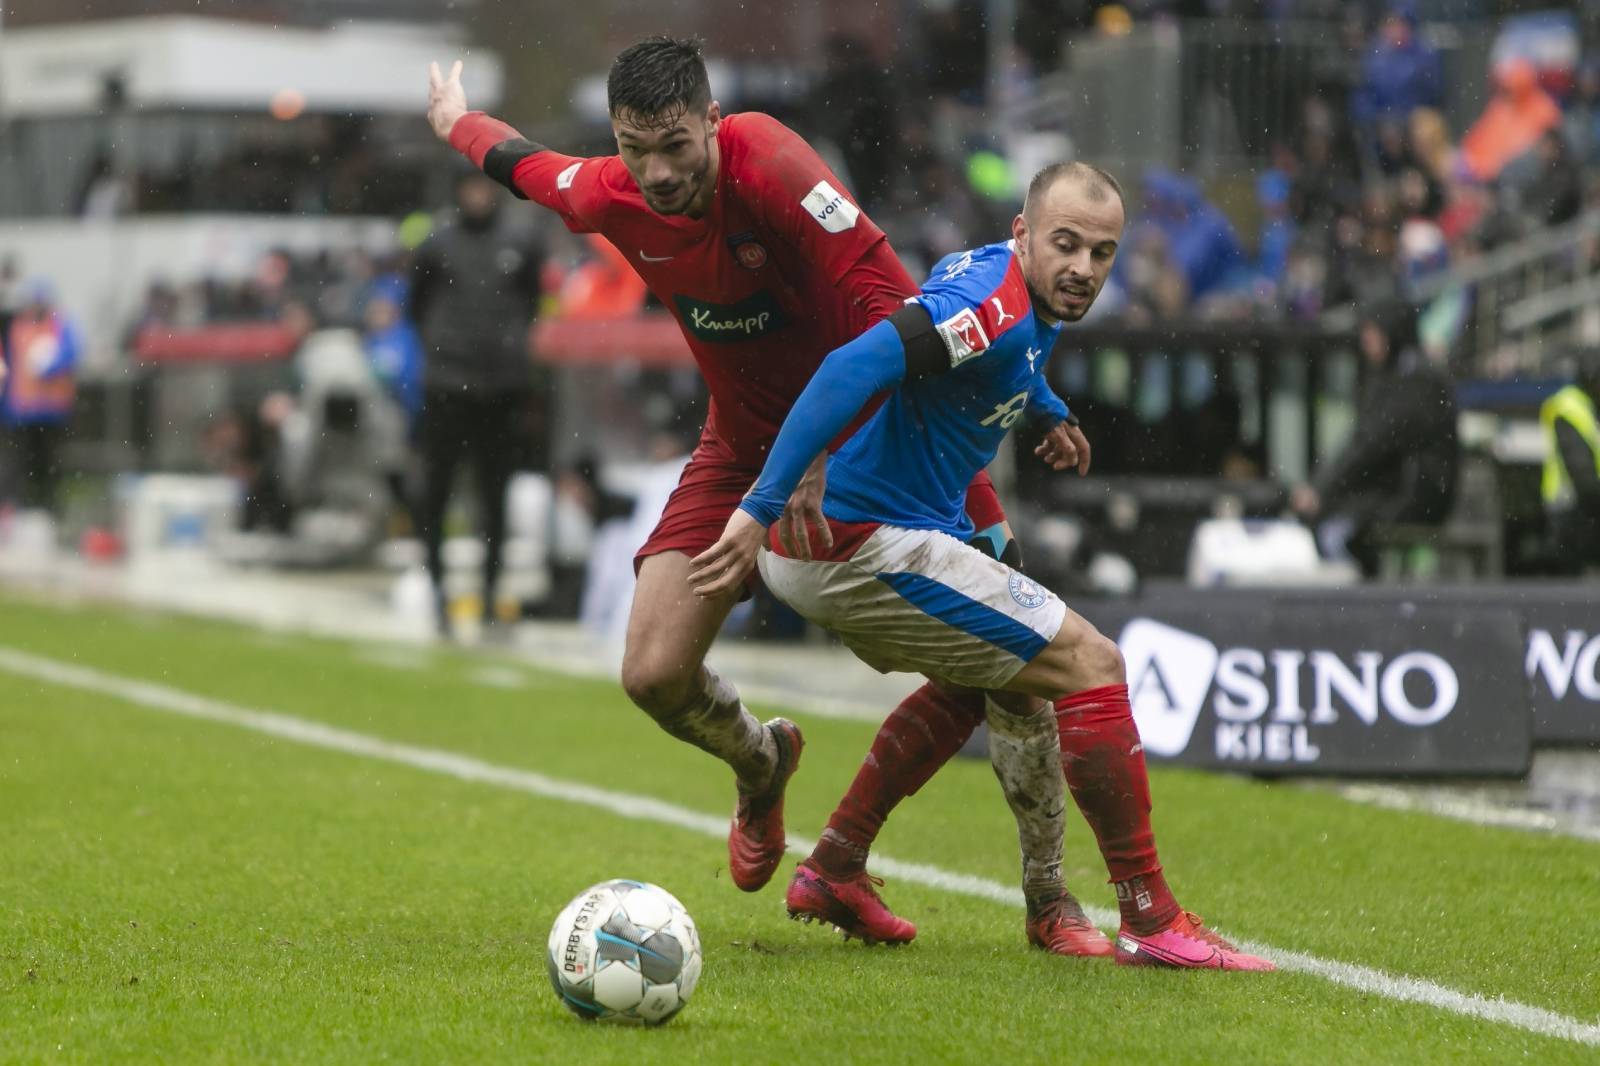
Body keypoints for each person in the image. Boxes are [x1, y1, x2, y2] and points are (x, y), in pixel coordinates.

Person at [426, 42, 1101, 952]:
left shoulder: (772, 160)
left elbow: (888, 300)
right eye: (636, 149)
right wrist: (457, 121)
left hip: (872, 448)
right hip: (736, 451)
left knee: (1008, 665)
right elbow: (525, 166)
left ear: (712, 120)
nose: (658, 172)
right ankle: (764, 759)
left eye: (675, 145)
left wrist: (828, 441)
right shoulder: (610, 192)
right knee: (653, 676)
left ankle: (1048, 898)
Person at [690, 163, 1274, 971]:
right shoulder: (988, 307)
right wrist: (761, 505)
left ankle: (837, 867)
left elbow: (995, 360)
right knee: (1091, 663)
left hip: (882, 533)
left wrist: (1043, 407)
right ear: (1023, 234)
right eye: (1066, 245)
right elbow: (852, 368)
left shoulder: (1009, 287)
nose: (1084, 269)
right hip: (856, 542)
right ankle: (1149, 915)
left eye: (1102, 253)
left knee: (1004, 678)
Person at [408, 169, 546, 637]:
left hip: (500, 387)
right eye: (469, 187)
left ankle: (490, 593)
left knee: (495, 495)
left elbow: (531, 300)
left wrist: (506, 352)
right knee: (437, 493)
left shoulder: (520, 242)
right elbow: (417, 305)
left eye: (484, 187)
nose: (477, 195)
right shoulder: (437, 243)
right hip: (448, 385)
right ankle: (438, 593)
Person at [1292, 300, 1457, 576]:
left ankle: (1354, 607)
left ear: (1392, 333)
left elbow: (1370, 443)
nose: (1366, 341)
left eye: (1373, 332)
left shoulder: (1415, 381)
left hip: (1415, 496)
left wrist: (1320, 489)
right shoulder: (1400, 375)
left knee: (1332, 530)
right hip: (1400, 491)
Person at [0, 279, 81, 513]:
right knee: (18, 464)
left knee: (50, 464)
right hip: (22, 410)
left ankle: (49, 510)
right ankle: (17, 510)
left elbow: (72, 351)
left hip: (52, 410)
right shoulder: (15, 327)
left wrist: (51, 365)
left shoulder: (59, 326)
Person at [1539, 352, 1600, 573]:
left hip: (1578, 514)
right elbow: (1583, 475)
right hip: (1572, 514)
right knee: (1573, 594)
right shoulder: (1571, 407)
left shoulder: (1584, 407)